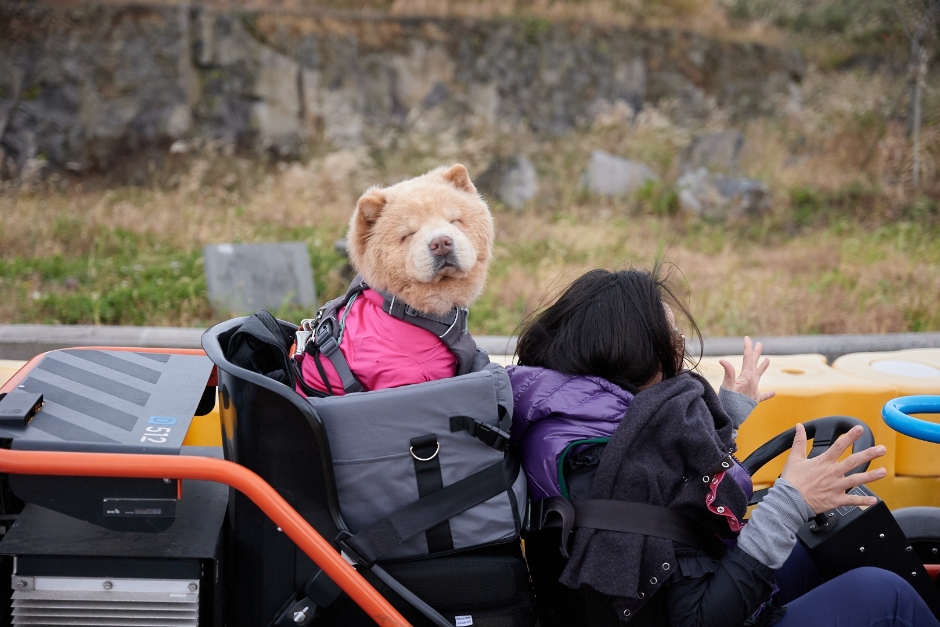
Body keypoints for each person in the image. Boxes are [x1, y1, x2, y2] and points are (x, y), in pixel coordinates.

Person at [508, 267, 939, 627]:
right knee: (884, 595)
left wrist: (726, 418)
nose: (679, 347)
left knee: (815, 547)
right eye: (670, 339)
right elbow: (697, 614)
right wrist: (789, 504)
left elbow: (666, 494)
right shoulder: (617, 471)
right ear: (635, 354)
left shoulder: (570, 431)